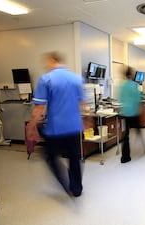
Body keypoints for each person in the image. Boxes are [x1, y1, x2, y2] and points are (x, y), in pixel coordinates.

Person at [28, 51, 86, 197]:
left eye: (46, 62)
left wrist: (32, 125)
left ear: (53, 60)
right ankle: (76, 188)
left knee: (50, 156)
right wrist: (87, 120)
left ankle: (66, 182)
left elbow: (40, 107)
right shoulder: (77, 79)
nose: (45, 65)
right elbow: (83, 103)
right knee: (74, 157)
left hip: (56, 128)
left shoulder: (46, 79)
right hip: (74, 126)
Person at [119, 66, 145, 163]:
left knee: (125, 135)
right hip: (133, 112)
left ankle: (125, 157)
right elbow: (138, 99)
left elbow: (120, 99)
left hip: (124, 113)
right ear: (131, 75)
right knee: (139, 130)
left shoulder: (122, 86)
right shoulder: (134, 85)